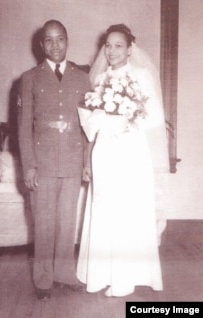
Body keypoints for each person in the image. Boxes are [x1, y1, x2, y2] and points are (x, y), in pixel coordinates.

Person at [77, 24, 169, 297]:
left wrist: (124, 115)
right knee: (104, 207)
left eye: (118, 45)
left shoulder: (141, 75)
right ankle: (101, 275)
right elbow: (91, 119)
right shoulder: (100, 79)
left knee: (127, 208)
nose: (112, 50)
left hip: (130, 150)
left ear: (130, 49)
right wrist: (100, 120)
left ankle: (125, 278)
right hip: (104, 150)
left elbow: (153, 117)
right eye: (108, 45)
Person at [17, 20, 91, 301]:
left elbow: (88, 125)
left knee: (67, 222)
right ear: (41, 45)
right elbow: (24, 127)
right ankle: (44, 280)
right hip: (43, 163)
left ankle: (64, 275)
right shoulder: (29, 78)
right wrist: (29, 166)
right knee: (44, 223)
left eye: (60, 39)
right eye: (48, 40)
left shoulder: (82, 77)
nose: (55, 45)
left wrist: (87, 161)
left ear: (67, 41)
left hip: (72, 160)